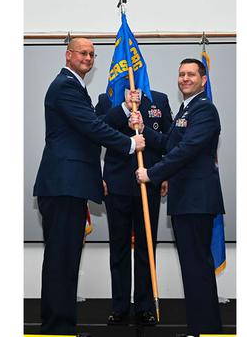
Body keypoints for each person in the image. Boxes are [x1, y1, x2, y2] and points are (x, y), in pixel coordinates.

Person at [33, 37, 146, 336]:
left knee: (66, 261)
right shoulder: (65, 86)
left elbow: (89, 125)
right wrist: (129, 143)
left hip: (70, 185)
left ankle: (62, 326)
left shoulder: (74, 87)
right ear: (68, 55)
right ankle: (57, 329)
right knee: (61, 261)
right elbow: (91, 128)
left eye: (93, 54)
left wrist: (122, 108)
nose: (89, 58)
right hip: (62, 185)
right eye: (83, 53)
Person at [134, 58, 225, 337]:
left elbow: (186, 150)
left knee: (197, 268)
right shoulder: (186, 109)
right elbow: (168, 143)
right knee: (192, 268)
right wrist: (143, 127)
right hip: (185, 201)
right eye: (181, 74)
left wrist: (152, 174)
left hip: (197, 200)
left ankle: (206, 331)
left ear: (203, 79)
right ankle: (199, 329)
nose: (185, 78)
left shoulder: (205, 110)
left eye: (191, 74)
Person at [95, 88, 172, 326]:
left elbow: (169, 142)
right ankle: (119, 306)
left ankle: (144, 306)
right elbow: (96, 132)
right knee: (118, 248)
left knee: (146, 247)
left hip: (148, 183)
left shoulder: (159, 99)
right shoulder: (108, 97)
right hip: (116, 185)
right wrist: (125, 108)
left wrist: (165, 174)